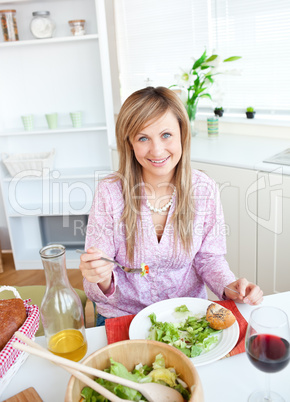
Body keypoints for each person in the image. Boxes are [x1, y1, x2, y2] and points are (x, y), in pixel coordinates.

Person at [79, 86, 263, 326]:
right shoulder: (110, 192)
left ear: (182, 134)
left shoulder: (203, 189)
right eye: (143, 138)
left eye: (166, 135)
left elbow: (209, 259)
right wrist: (101, 277)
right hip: (123, 316)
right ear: (130, 143)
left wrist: (230, 287)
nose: (157, 150)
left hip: (187, 314)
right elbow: (96, 284)